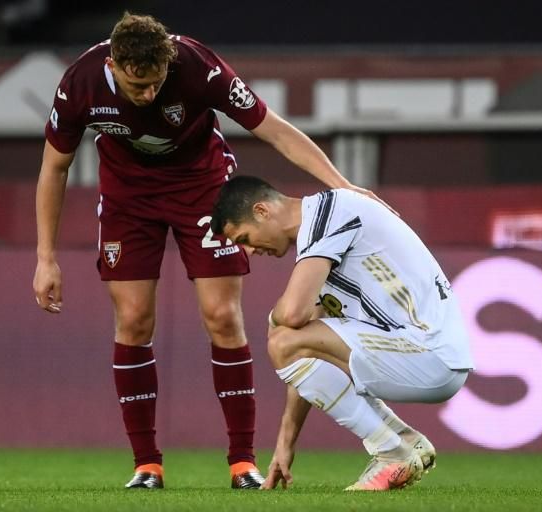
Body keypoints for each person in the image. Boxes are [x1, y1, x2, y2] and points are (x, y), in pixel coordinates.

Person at [33, 12, 383, 490]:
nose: (148, 95)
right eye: (137, 87)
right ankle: (146, 465)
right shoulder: (80, 83)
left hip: (201, 188)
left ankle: (242, 462)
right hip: (127, 199)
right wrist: (45, 257)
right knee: (133, 320)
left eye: (156, 84)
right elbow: (54, 168)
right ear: (113, 65)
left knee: (222, 316)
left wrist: (342, 187)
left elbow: (273, 129)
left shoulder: (198, 66)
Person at [210, 176, 474, 491]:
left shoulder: (328, 214)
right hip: (423, 353)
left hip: (428, 352)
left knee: (282, 331)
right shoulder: (321, 243)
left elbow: (291, 316)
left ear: (263, 211)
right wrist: (285, 443)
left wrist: (274, 317)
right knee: (288, 338)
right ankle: (405, 441)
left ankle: (392, 452)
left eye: (245, 238)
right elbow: (304, 355)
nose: (250, 251)